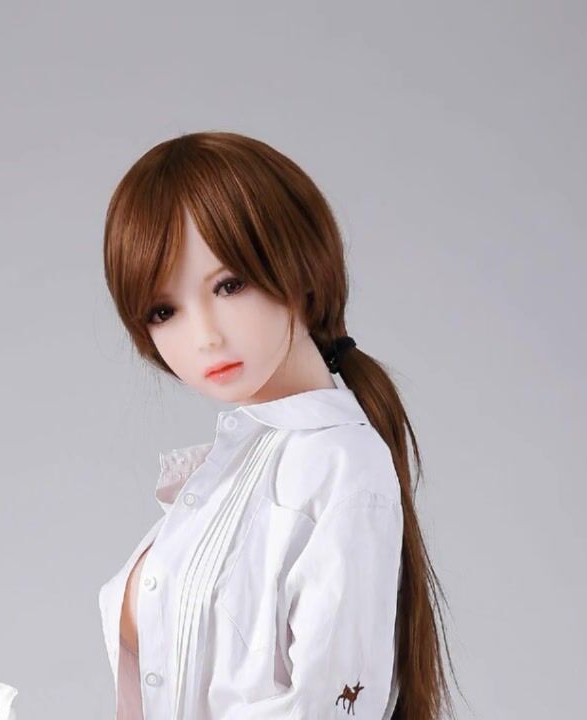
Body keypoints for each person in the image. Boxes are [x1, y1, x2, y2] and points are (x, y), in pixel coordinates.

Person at [95, 132, 456, 719]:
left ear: (301, 266)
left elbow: (329, 708)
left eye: (229, 285)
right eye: (164, 311)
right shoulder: (230, 474)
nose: (204, 335)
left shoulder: (340, 466)